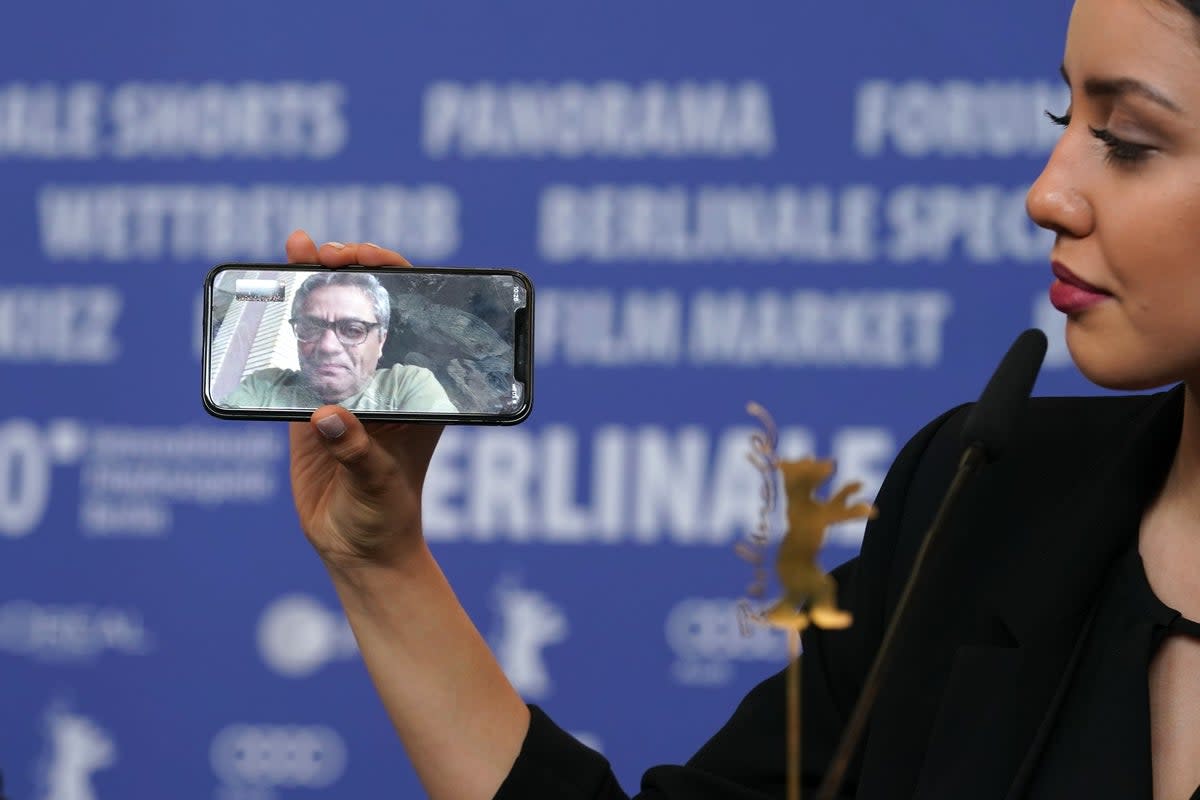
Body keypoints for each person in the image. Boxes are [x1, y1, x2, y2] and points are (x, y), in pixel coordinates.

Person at [283, 0, 1200, 796]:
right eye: (1063, 115)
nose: (1047, 194)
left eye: (1125, 141)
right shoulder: (979, 502)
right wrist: (382, 561)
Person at [221, 269, 458, 413]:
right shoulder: (265, 384)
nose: (327, 346)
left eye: (353, 330)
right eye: (310, 327)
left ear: (381, 341)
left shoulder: (405, 385)